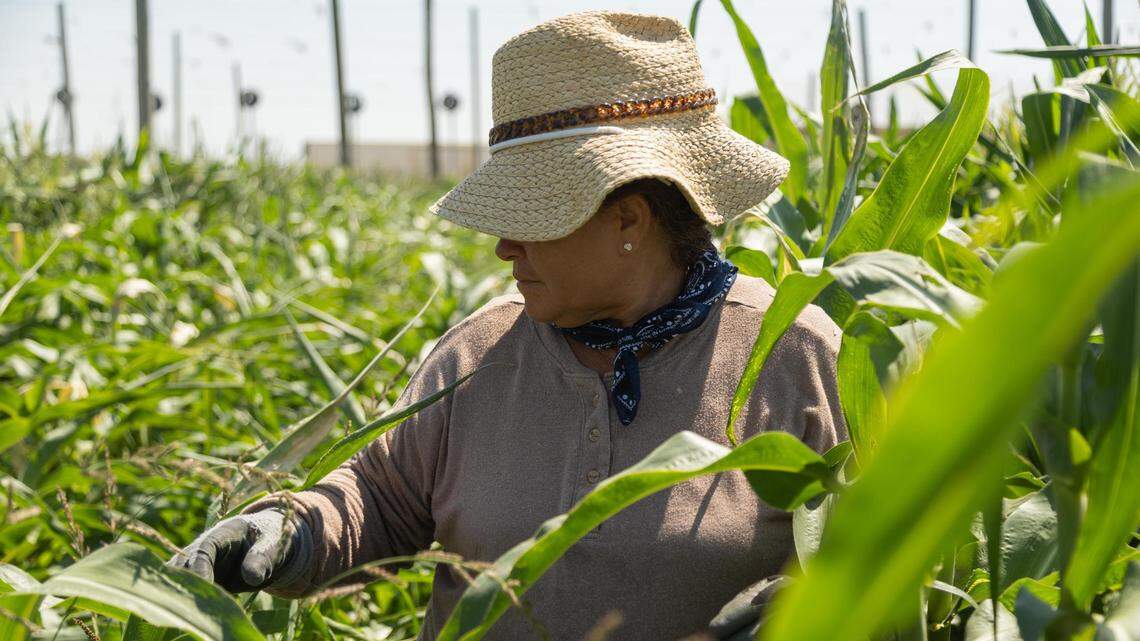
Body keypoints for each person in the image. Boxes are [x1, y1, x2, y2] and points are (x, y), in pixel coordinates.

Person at [169, 10, 848, 641]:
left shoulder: (796, 357)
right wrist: (284, 532)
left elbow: (888, 551)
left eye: (531, 217)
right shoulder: (477, 356)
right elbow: (381, 498)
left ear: (629, 220)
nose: (503, 248)